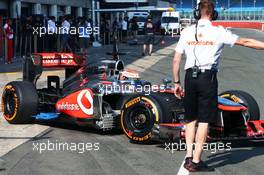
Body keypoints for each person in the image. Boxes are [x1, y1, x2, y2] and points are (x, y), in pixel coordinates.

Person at [172, 0, 264, 172]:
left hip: (189, 78)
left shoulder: (186, 31)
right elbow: (245, 42)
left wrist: (176, 82)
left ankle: (189, 156)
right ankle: (196, 161)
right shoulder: (218, 32)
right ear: (213, 14)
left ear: (197, 13)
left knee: (190, 119)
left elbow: (176, 60)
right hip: (207, 78)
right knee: (205, 119)